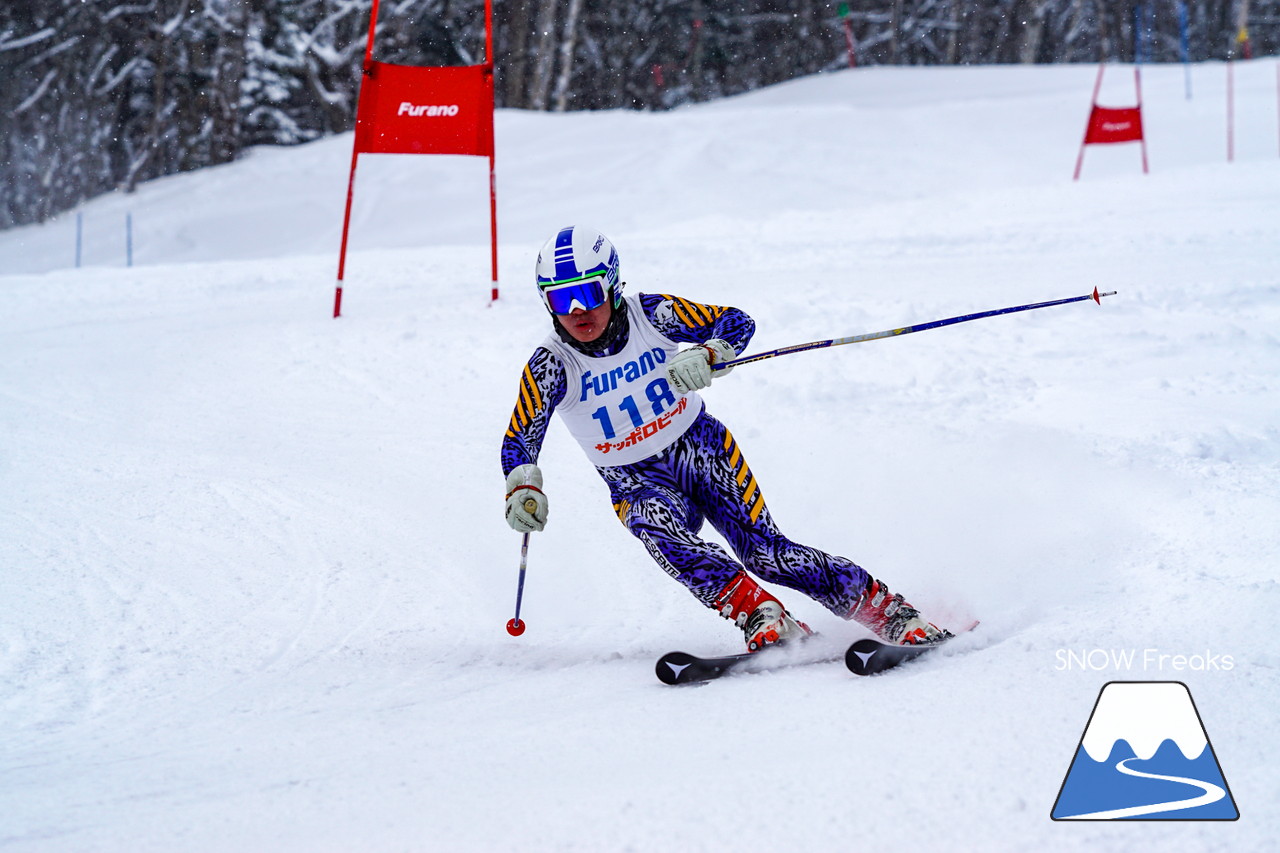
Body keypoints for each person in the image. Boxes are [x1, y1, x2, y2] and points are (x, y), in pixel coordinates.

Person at [501, 225, 952, 652]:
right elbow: (520, 437)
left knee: (765, 554)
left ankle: (890, 613)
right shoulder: (552, 364)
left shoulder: (651, 313)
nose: (577, 311)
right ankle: (763, 615)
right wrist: (523, 485)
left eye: (587, 293)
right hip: (635, 480)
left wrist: (711, 351)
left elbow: (735, 322)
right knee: (651, 522)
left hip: (700, 450)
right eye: (561, 299)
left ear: (613, 285)